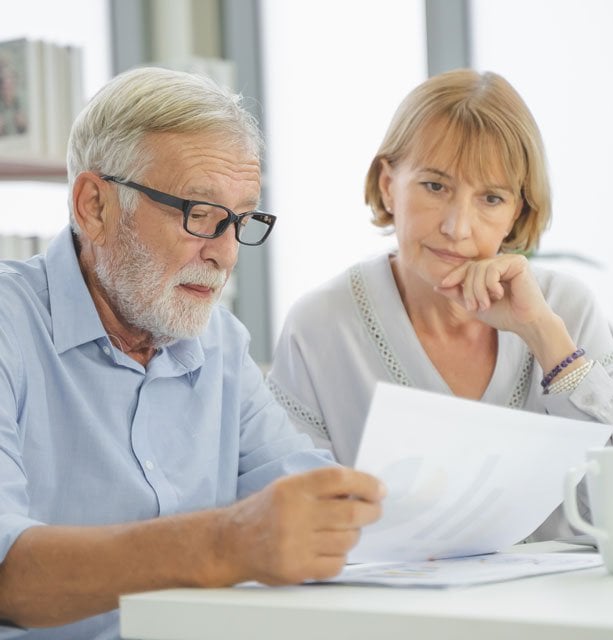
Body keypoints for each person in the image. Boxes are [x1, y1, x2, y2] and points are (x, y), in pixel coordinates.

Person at [0, 66, 385, 639]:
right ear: (94, 206)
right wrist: (224, 543)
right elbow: (9, 576)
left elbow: (299, 499)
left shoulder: (221, 344)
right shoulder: (10, 327)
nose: (226, 254)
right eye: (199, 214)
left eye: (242, 219)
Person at [267, 68, 613, 541]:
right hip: (384, 611)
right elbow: (295, 518)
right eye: (435, 187)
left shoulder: (565, 308)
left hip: (556, 612)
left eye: (491, 198)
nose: (458, 227)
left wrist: (546, 338)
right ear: (388, 185)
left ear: (515, 214)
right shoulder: (321, 325)